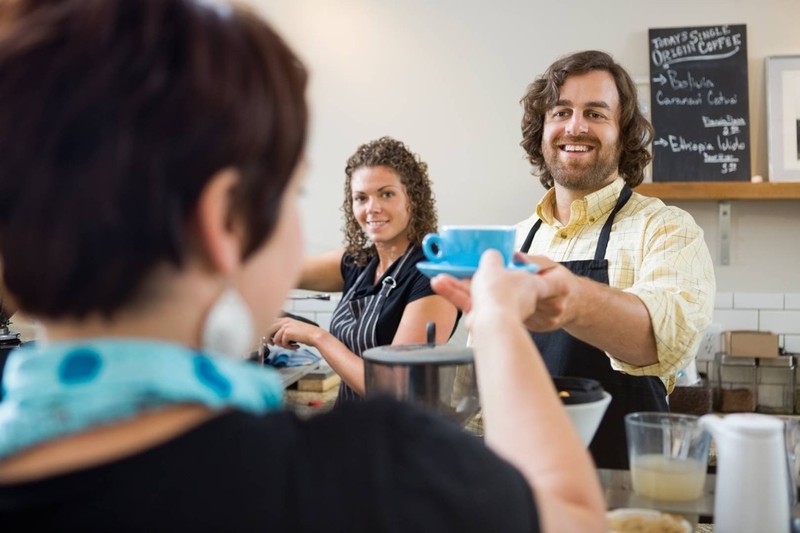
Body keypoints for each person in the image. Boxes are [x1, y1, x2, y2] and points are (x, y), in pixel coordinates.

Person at [0, 1, 605, 531]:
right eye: (293, 193)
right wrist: (498, 320)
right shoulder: (378, 476)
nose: (369, 210)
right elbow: (573, 516)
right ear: (227, 223)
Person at [515, 50, 716, 469]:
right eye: (561, 112)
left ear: (623, 134)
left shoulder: (665, 229)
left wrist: (565, 294)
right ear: (541, 130)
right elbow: (487, 377)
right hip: (524, 478)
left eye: (595, 113)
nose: (575, 126)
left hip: (625, 486)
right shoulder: (517, 240)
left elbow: (661, 340)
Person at [266, 137, 460, 404]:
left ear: (413, 198)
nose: (372, 208)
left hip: (399, 428)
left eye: (386, 194)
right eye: (361, 198)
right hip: (353, 422)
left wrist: (317, 337)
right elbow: (272, 273)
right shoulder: (359, 262)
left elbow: (393, 387)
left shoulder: (434, 274)